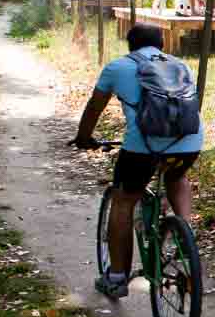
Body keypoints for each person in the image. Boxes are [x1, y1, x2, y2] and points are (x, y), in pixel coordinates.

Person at [72, 23, 203, 298]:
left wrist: (84, 137)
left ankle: (117, 278)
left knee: (123, 201)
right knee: (177, 175)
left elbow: (95, 106)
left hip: (141, 148)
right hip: (189, 142)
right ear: (161, 45)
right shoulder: (181, 66)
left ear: (130, 44)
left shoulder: (117, 67)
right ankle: (185, 235)